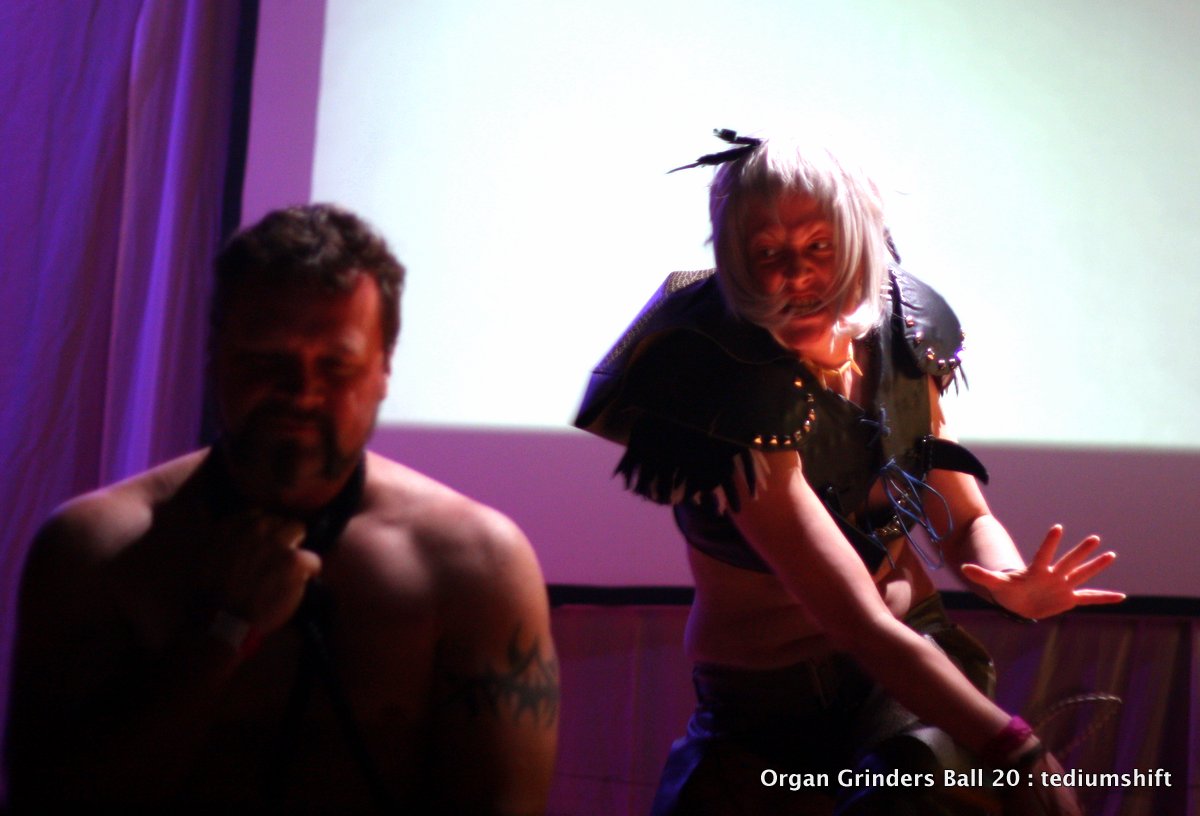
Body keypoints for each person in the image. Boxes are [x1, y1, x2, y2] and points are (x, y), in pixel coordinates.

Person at [574, 130, 1123, 815]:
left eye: (819, 246)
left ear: (862, 242)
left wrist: (1008, 578)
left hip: (905, 668)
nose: (794, 275)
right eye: (767, 252)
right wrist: (1021, 753)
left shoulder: (906, 331)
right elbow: (857, 624)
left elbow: (965, 516)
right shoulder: (725, 381)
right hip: (765, 705)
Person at [5, 204, 559, 813]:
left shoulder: (473, 562)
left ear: (384, 371)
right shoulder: (93, 549)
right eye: (266, 361)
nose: (301, 393)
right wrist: (220, 634)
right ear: (215, 355)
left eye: (336, 365)